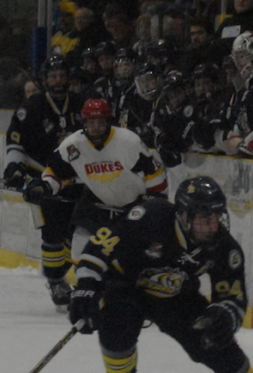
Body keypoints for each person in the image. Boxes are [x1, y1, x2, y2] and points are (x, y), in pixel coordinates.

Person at [67, 176, 253, 373]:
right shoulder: (149, 216)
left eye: (215, 218)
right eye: (203, 219)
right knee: (116, 333)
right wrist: (86, 286)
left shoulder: (225, 247)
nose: (211, 226)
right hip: (126, 286)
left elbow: (233, 298)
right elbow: (99, 245)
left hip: (176, 298)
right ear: (184, 215)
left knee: (221, 348)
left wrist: (224, 317)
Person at [23, 97, 167, 268]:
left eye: (100, 122)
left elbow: (155, 173)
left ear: (108, 121)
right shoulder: (73, 146)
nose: (96, 128)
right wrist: (43, 186)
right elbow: (55, 173)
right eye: (91, 123)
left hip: (133, 208)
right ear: (84, 122)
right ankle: (85, 288)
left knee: (130, 259)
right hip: (96, 204)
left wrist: (153, 205)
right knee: (79, 247)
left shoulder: (128, 142)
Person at [4, 55, 88, 310]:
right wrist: (14, 167)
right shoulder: (32, 107)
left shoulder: (82, 103)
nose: (58, 81)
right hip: (44, 179)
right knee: (52, 232)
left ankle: (68, 273)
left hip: (79, 181)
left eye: (62, 76)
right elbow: (16, 141)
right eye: (53, 77)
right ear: (45, 79)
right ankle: (55, 281)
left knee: (78, 232)